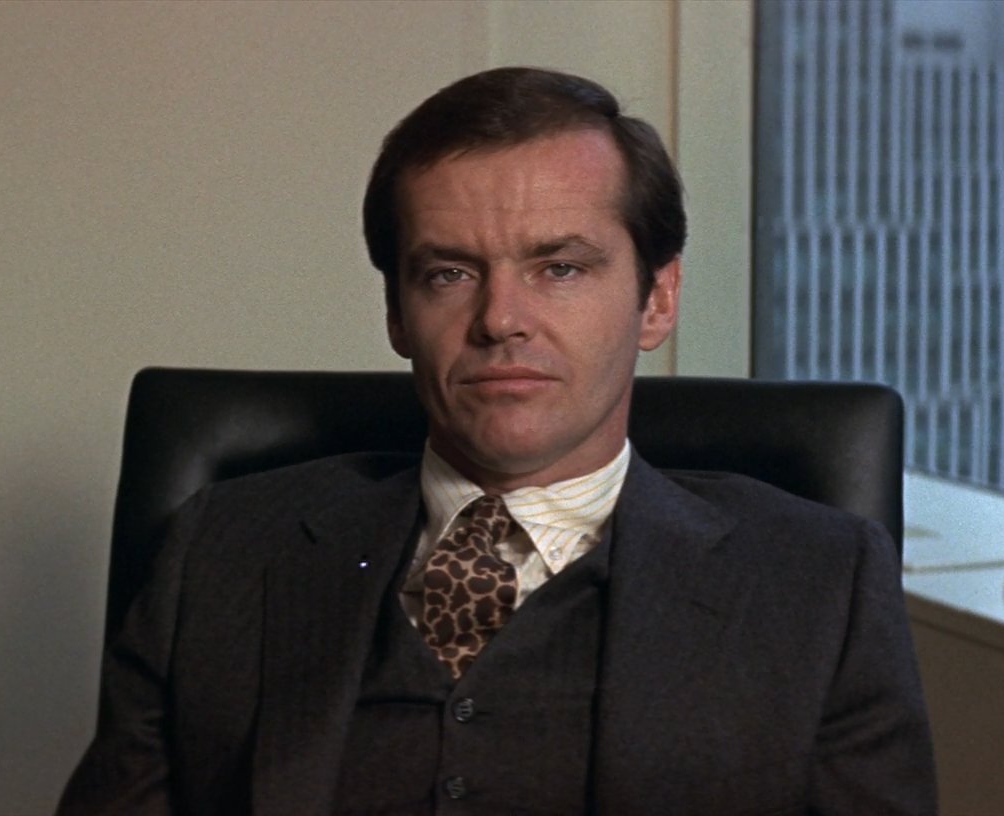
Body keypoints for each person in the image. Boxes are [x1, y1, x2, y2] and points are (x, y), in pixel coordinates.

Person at [58, 66, 935, 815]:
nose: (500, 320)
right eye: (449, 273)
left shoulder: (816, 583)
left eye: (560, 268)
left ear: (657, 300)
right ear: (397, 313)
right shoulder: (223, 551)